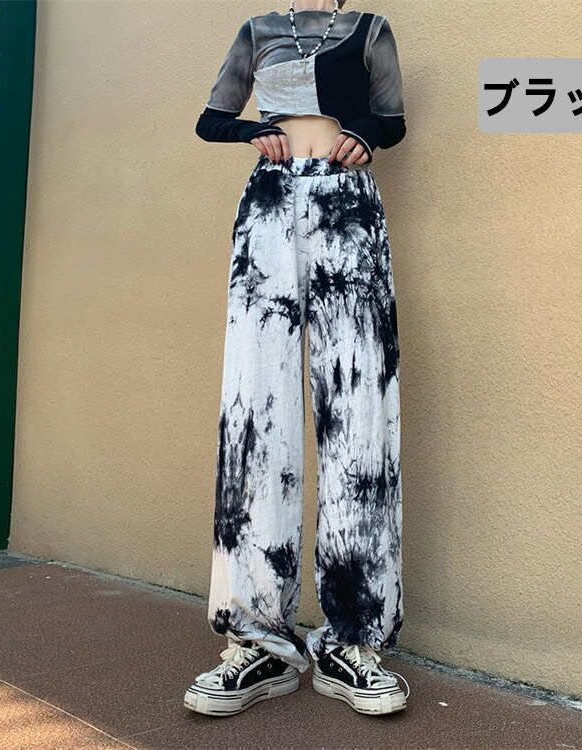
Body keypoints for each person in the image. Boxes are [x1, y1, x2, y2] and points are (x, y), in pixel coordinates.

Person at [185, 0, 409, 717]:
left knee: (359, 412)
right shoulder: (257, 32)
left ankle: (353, 639)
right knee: (255, 412)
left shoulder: (369, 30)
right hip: (269, 206)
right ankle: (257, 640)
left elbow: (392, 119)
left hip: (350, 208)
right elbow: (212, 118)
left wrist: (363, 137)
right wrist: (253, 131)